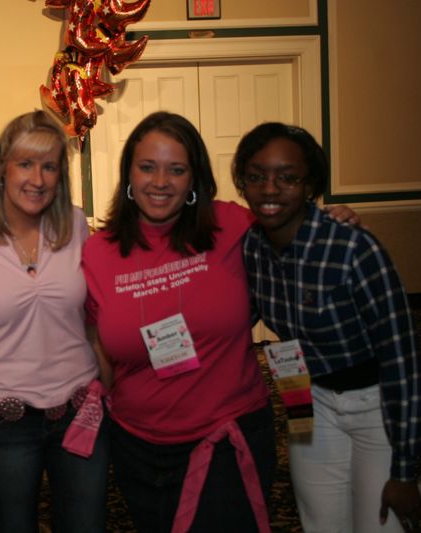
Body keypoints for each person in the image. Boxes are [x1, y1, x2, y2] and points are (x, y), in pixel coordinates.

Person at [82, 111, 276, 533]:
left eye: (176, 169)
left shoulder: (233, 224)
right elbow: (98, 342)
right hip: (137, 447)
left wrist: (337, 219)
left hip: (225, 435)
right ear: (128, 173)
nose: (160, 182)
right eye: (147, 167)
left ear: (194, 179)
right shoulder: (97, 252)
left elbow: (294, 227)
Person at [233, 122, 421, 533]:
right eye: (256, 176)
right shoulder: (251, 247)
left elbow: (403, 361)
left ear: (310, 185)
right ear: (242, 182)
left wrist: (406, 471)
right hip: (312, 401)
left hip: (378, 406)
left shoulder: (354, 248)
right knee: (321, 523)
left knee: (380, 526)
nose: (269, 189)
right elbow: (233, 320)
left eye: (287, 177)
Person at [0, 110, 109, 533]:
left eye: (49, 165)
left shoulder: (75, 224)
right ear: (2, 168)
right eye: (25, 164)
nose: (38, 178)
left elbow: (91, 318)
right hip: (4, 422)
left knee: (87, 525)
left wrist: (105, 382)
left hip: (80, 409)